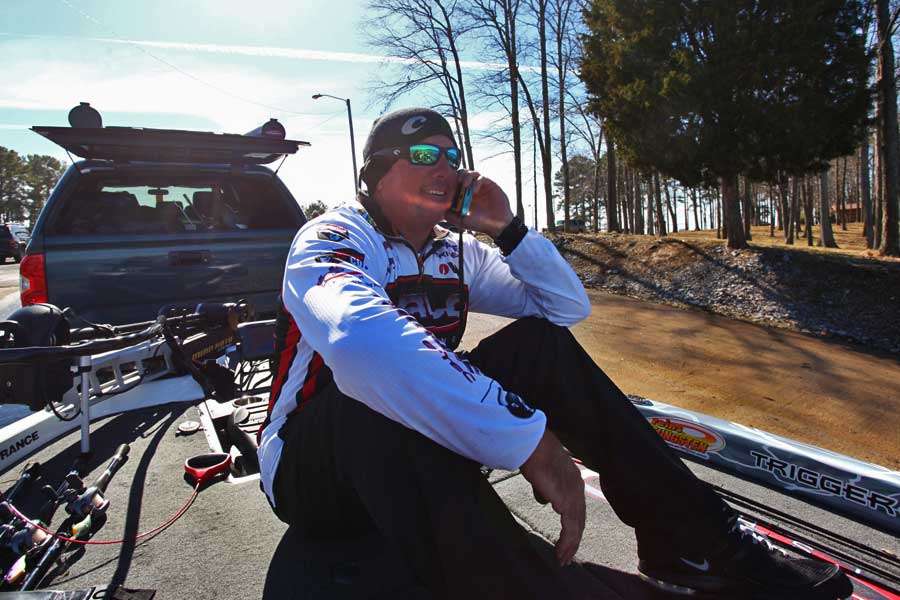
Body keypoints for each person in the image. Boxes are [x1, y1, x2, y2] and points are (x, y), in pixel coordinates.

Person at [258, 107, 852, 599]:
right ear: (375, 173)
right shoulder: (334, 236)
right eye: (422, 155)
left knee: (537, 345)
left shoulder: (458, 252)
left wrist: (508, 230)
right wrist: (526, 438)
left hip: (415, 454)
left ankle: (693, 542)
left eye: (450, 156)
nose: (443, 166)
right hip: (315, 472)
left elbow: (565, 309)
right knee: (373, 398)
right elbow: (360, 344)